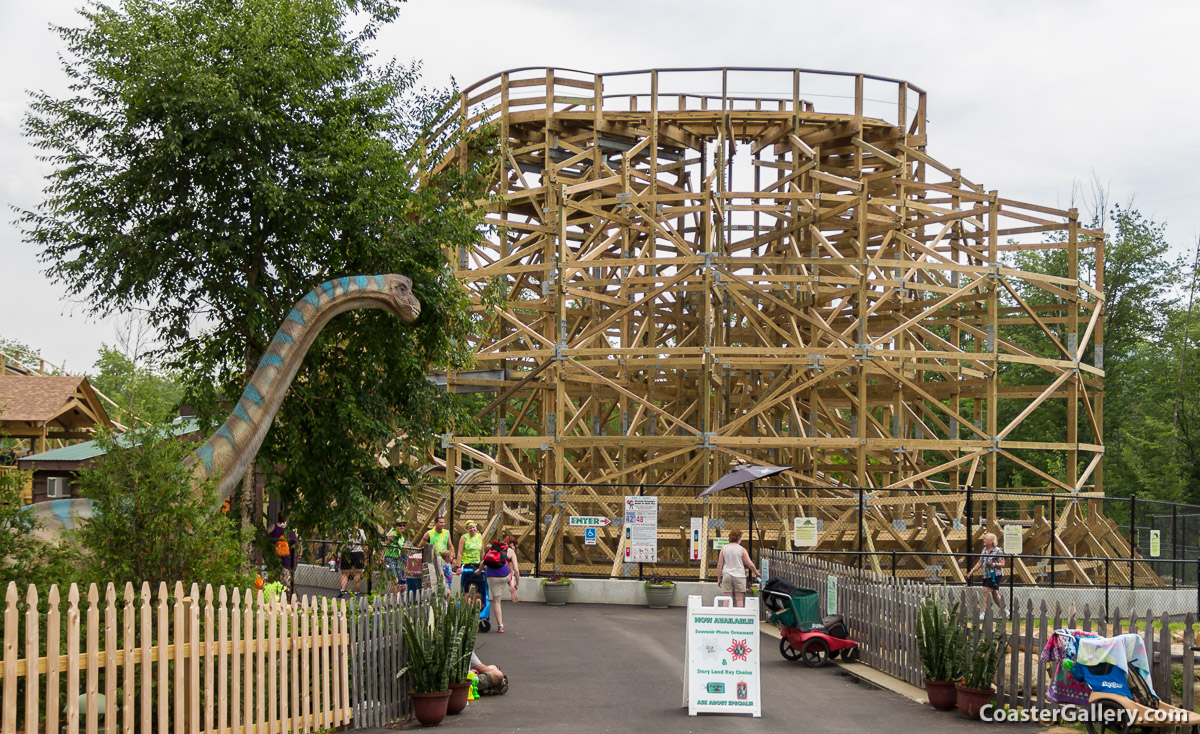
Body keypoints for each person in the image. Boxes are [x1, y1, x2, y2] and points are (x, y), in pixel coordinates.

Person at [483, 534, 520, 632]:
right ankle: (512, 587)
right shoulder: (510, 551)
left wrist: (479, 571)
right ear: (511, 544)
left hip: (491, 577)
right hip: (505, 576)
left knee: (496, 601)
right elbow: (516, 571)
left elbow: (483, 562)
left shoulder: (492, 549)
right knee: (511, 571)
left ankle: (500, 626)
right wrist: (517, 584)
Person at [716, 528, 759, 608]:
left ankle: (725, 618)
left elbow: (719, 565)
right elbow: (750, 564)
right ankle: (739, 618)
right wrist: (756, 572)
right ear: (739, 538)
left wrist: (719, 578)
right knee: (739, 599)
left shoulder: (724, 549)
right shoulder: (741, 549)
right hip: (739, 576)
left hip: (727, 575)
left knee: (727, 599)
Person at [968, 532, 1007, 619]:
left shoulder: (998, 551)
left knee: (986, 591)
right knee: (995, 594)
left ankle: (984, 613)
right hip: (986, 575)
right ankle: (1005, 610)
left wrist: (994, 564)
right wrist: (972, 571)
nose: (984, 540)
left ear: (991, 541)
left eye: (986, 539)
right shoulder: (984, 550)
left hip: (995, 575)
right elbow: (980, 562)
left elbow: (1002, 563)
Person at [419, 516, 454, 594]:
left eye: (444, 522)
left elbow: (450, 545)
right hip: (433, 562)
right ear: (435, 523)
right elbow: (420, 545)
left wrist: (453, 558)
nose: (442, 524)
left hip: (444, 561)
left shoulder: (446, 533)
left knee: (446, 584)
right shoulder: (429, 533)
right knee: (435, 584)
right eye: (440, 522)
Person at [455, 521, 486, 604]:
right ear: (467, 529)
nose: (472, 529)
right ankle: (466, 602)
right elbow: (460, 552)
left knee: (479, 582)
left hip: (477, 563)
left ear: (476, 528)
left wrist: (484, 564)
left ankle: (479, 602)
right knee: (467, 582)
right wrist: (458, 566)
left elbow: (482, 552)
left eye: (473, 527)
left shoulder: (480, 537)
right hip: (467, 563)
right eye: (470, 528)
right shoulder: (464, 537)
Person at [268, 513, 298, 588]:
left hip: (275, 555)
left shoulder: (273, 527)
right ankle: (288, 593)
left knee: (274, 575)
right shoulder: (290, 529)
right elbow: (295, 541)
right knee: (286, 576)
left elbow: (266, 536)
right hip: (287, 555)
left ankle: (273, 591)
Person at [338, 526, 366, 598]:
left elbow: (342, 544)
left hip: (347, 552)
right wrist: (365, 556)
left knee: (344, 573)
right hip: (358, 553)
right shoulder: (360, 531)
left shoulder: (345, 531)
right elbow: (364, 543)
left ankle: (343, 590)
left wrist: (339, 556)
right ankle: (356, 592)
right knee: (357, 573)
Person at [384, 519, 408, 588]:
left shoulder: (402, 537)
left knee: (400, 581)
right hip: (389, 558)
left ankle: (394, 597)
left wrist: (404, 547)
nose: (402, 527)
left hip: (397, 558)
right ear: (395, 526)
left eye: (404, 525)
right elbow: (385, 543)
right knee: (394, 579)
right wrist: (381, 558)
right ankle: (392, 596)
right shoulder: (393, 534)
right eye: (400, 525)